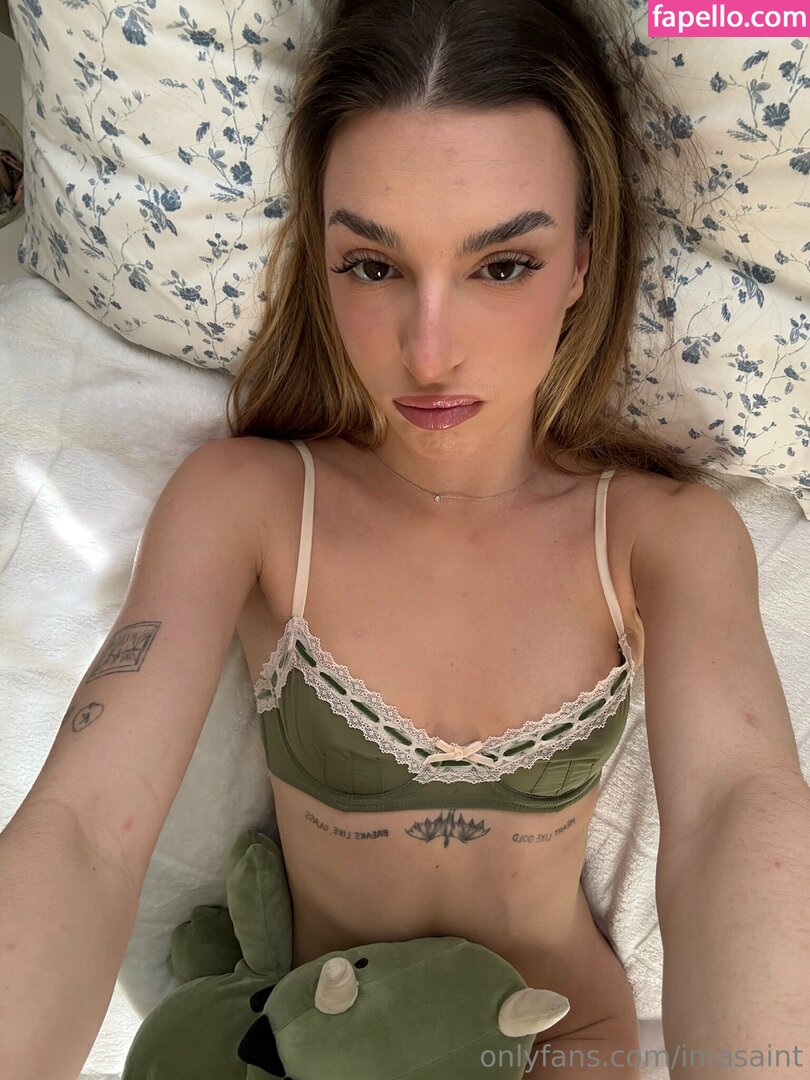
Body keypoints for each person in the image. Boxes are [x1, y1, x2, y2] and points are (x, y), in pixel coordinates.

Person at [2, 3, 806, 1079]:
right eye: (373, 265)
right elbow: (86, 826)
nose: (430, 351)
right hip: (319, 1044)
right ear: (321, 260)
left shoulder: (661, 537)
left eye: (503, 265)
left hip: (560, 1046)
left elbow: (729, 817)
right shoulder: (248, 503)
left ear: (582, 261)